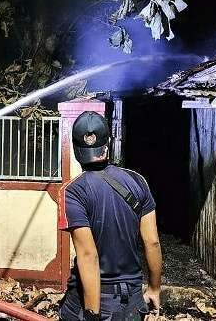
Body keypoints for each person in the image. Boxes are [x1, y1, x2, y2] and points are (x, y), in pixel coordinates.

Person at [58, 111, 163, 321]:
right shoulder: (138, 181)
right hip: (133, 300)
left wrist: (93, 315)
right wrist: (154, 288)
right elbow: (152, 242)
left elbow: (89, 256)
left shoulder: (72, 192)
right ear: (107, 146)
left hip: (93, 300)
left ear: (77, 152)